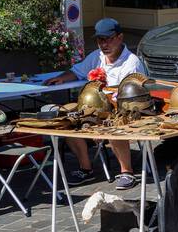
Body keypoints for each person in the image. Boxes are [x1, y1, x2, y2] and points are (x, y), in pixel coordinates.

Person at [44, 18, 145, 189]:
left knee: (113, 123)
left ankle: (126, 172)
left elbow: (129, 98)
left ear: (120, 38)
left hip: (125, 109)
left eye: (108, 39)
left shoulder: (131, 62)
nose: (103, 44)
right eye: (100, 40)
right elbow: (76, 71)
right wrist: (61, 78)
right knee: (66, 120)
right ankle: (86, 167)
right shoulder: (96, 57)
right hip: (97, 109)